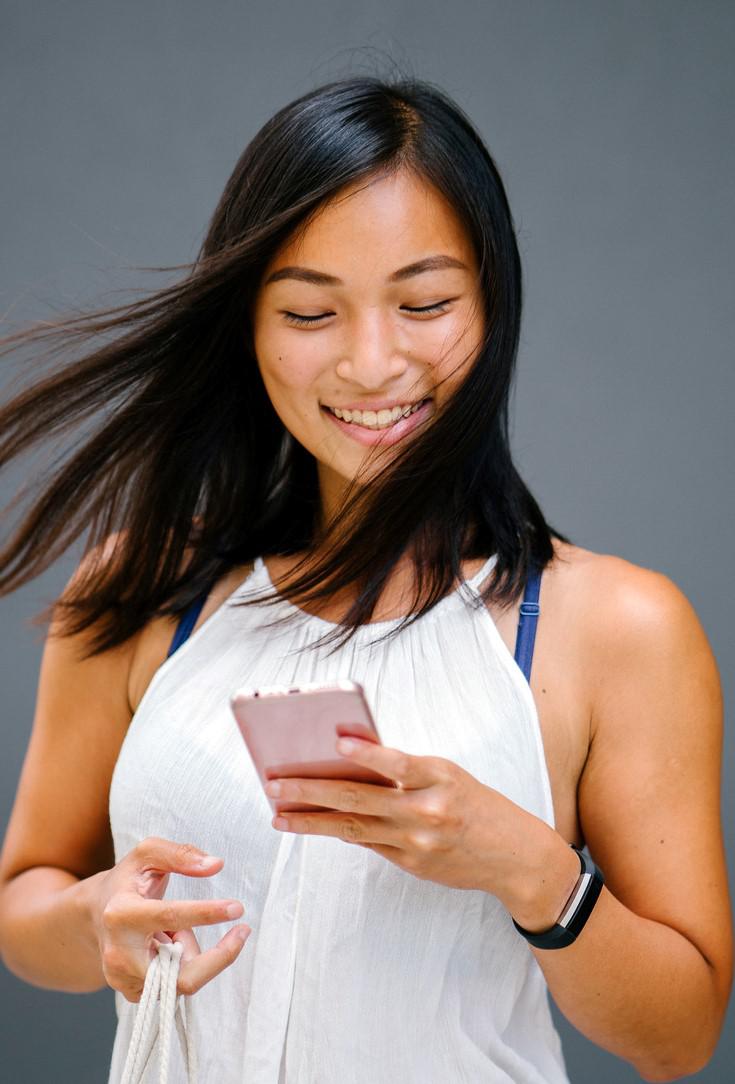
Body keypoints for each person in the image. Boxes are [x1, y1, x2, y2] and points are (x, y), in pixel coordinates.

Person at [0, 74, 731, 1084]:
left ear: (493, 302)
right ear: (247, 323)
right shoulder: (141, 589)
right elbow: (25, 903)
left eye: (424, 302)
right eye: (309, 313)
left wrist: (526, 865)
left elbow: (681, 1034)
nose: (371, 362)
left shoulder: (615, 628)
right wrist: (92, 922)